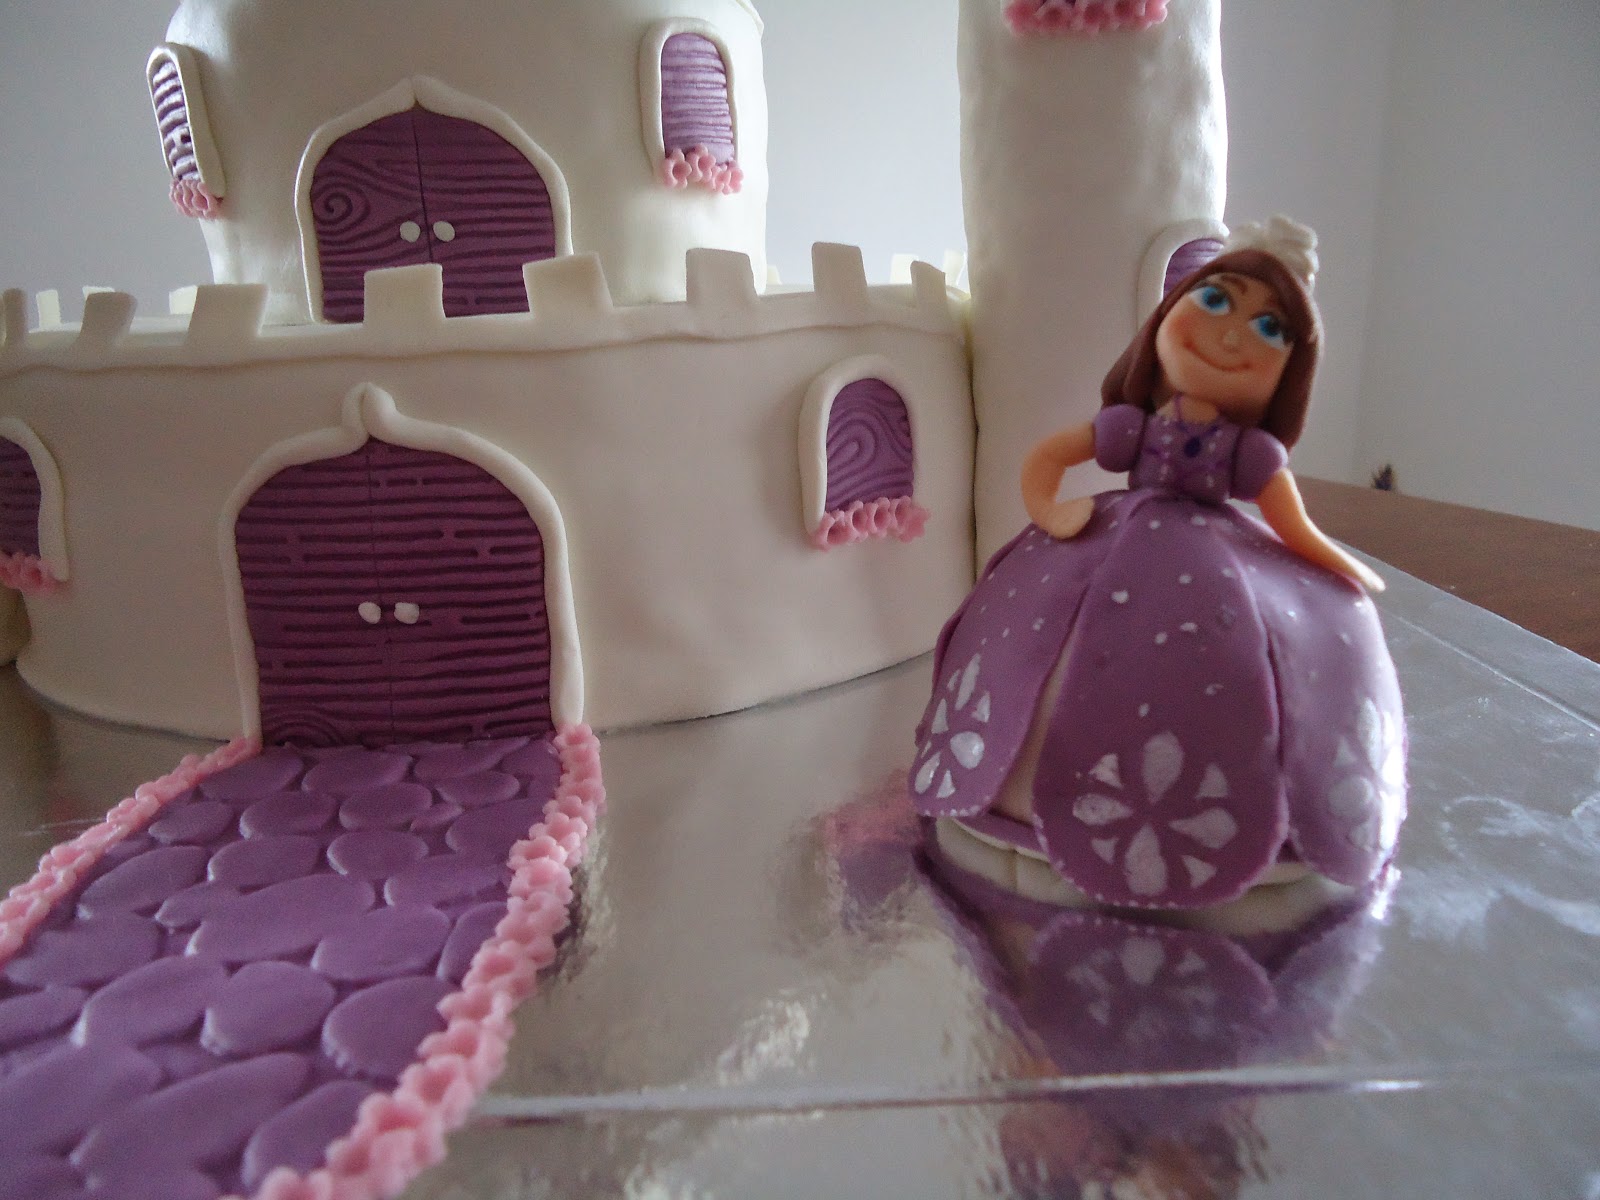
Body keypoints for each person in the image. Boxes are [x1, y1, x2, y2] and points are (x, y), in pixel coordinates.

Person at [911, 217, 1405, 910]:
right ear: (1166, 316)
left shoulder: (1252, 456)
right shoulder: (1131, 428)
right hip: (1109, 536)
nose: (1232, 335)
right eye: (1216, 301)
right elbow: (1050, 460)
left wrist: (1333, 566)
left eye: (1270, 329)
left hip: (1221, 556)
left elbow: (1291, 521)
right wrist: (1051, 513)